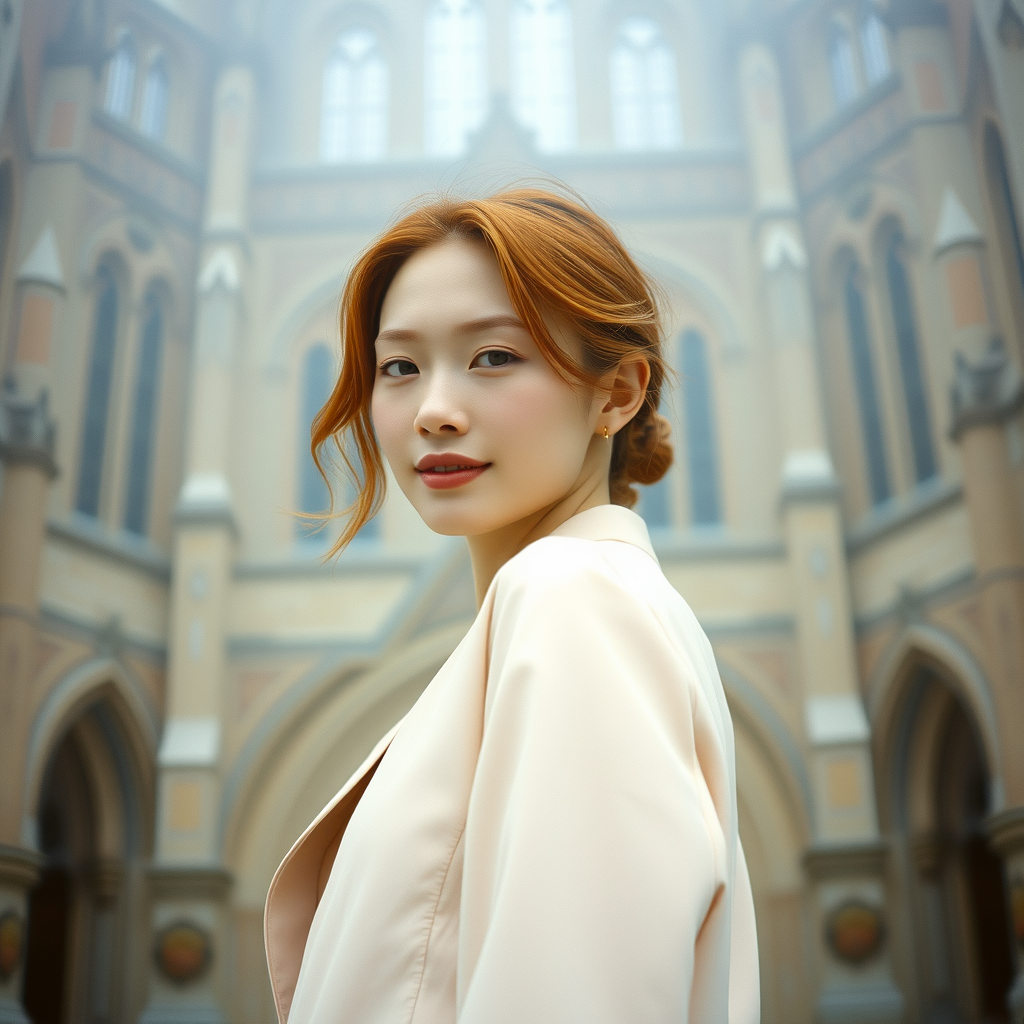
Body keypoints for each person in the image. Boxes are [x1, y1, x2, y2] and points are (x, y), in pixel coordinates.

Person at [264, 188, 759, 1023]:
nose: (433, 412)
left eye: (493, 357)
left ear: (617, 394)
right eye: (399, 367)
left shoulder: (573, 599)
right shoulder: (575, 607)